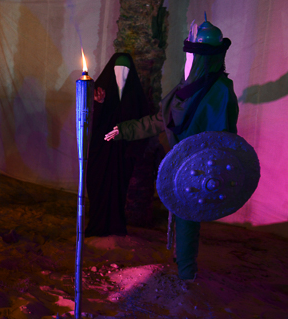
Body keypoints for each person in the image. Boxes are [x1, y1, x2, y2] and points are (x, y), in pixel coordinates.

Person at [105, 19, 239, 281]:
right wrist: (125, 130)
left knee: (188, 218)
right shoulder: (187, 87)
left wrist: (206, 169)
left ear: (203, 57)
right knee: (180, 215)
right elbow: (161, 120)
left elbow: (223, 138)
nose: (188, 60)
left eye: (192, 54)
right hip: (179, 165)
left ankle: (187, 276)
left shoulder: (221, 90)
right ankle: (181, 264)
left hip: (200, 168)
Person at [86, 53, 148, 237]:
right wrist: (99, 104)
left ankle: (115, 227)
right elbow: (89, 123)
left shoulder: (135, 95)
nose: (121, 76)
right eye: (117, 71)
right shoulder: (99, 90)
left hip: (123, 154)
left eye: (126, 71)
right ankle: (97, 225)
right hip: (101, 151)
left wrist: (131, 149)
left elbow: (143, 125)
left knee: (118, 191)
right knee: (98, 187)